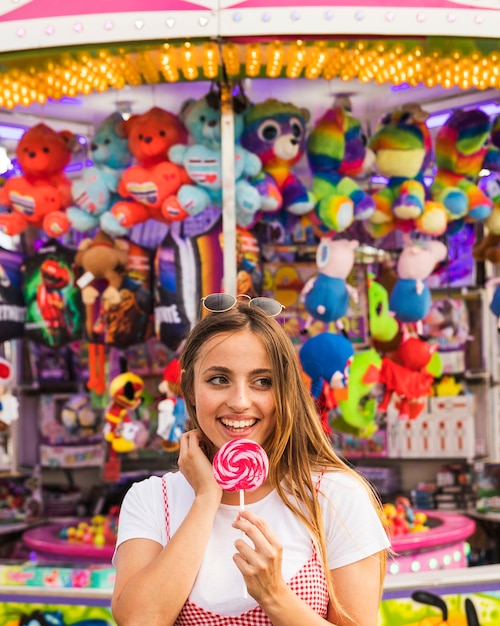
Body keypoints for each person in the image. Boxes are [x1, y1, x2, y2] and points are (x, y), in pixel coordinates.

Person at [112, 293, 390, 626]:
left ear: (285, 391)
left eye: (262, 381)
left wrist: (274, 595)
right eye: (219, 379)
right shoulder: (152, 500)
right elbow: (138, 621)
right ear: (189, 387)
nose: (240, 401)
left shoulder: (335, 497)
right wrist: (206, 498)